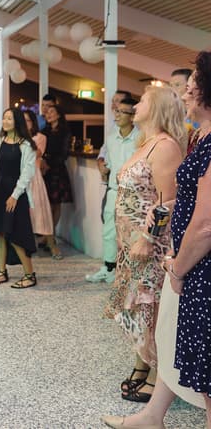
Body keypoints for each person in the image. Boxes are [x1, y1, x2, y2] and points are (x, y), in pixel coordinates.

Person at [100, 57, 210, 429]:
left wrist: (158, 243)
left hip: (182, 256)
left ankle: (153, 404)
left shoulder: (170, 145)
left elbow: (192, 211)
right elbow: (181, 199)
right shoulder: (194, 138)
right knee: (165, 328)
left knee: (168, 329)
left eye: (189, 86)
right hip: (171, 252)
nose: (185, 93)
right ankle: (151, 414)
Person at [103, 87, 185, 403]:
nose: (135, 105)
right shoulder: (145, 143)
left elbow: (169, 201)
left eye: (143, 101)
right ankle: (142, 362)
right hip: (130, 244)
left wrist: (147, 238)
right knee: (137, 307)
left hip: (149, 246)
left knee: (150, 306)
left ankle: (156, 374)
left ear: (158, 109)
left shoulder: (165, 147)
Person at [0, 108, 38, 289]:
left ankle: (30, 274)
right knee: (0, 233)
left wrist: (14, 195)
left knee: (16, 234)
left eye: (9, 118)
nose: (5, 121)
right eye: (4, 118)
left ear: (17, 121)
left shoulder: (26, 145)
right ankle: (1, 272)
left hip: (16, 194)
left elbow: (27, 173)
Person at [87, 97, 141, 283]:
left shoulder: (140, 139)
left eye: (122, 112)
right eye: (116, 111)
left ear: (133, 116)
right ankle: (108, 268)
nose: (116, 115)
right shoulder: (111, 139)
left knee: (131, 233)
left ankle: (127, 271)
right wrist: (103, 167)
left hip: (134, 194)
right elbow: (107, 161)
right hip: (113, 190)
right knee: (109, 231)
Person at [23, 110, 60, 260]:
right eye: (22, 120)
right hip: (20, 180)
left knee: (41, 214)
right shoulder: (15, 138)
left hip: (35, 179)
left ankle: (52, 245)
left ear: (33, 122)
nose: (25, 124)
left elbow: (35, 153)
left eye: (28, 121)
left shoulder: (40, 138)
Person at [41, 104, 73, 232]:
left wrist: (50, 163)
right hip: (43, 170)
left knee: (56, 203)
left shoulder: (65, 131)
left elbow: (64, 153)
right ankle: (46, 234)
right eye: (47, 112)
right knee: (46, 204)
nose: (48, 114)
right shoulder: (44, 131)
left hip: (57, 170)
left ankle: (50, 235)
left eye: (51, 112)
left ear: (59, 115)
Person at [97, 90, 133, 179]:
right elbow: (104, 151)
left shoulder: (138, 132)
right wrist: (100, 163)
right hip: (112, 184)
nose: (113, 104)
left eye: (117, 101)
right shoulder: (113, 127)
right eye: (112, 101)